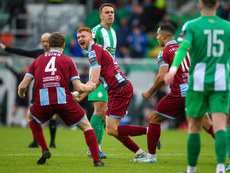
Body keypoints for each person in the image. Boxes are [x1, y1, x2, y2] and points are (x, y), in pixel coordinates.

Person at [18, 32, 106, 167]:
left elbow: (23, 85)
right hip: (64, 101)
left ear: (49, 45)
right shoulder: (67, 60)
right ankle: (97, 161)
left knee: (31, 117)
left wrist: (21, 93)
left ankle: (44, 149)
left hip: (43, 102)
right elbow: (78, 86)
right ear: (63, 45)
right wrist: (89, 88)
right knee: (87, 127)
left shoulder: (37, 60)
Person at [133, 23, 215, 163]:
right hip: (195, 91)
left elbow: (161, 77)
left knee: (154, 119)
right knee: (208, 125)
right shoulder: (186, 48)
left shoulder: (164, 52)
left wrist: (150, 92)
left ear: (164, 36)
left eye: (158, 35)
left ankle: (151, 157)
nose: (157, 38)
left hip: (180, 93)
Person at [164, 0, 230, 172]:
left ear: (199, 6)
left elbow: (183, 48)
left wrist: (172, 70)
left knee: (194, 127)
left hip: (198, 82)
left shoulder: (191, 25)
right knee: (221, 125)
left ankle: (191, 169)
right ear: (217, 6)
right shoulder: (227, 27)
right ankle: (221, 168)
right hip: (221, 82)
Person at [77, 27, 147, 161]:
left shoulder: (93, 52)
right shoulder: (96, 49)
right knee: (113, 128)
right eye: (79, 37)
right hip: (121, 87)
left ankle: (149, 132)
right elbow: (97, 82)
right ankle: (139, 151)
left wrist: (78, 90)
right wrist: (83, 94)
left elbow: (94, 80)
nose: (81, 39)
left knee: (111, 128)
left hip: (118, 89)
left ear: (91, 37)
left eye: (83, 36)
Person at [0, 33, 57, 148]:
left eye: (47, 41)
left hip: (52, 87)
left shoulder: (57, 54)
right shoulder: (38, 53)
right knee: (35, 114)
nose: (45, 43)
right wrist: (7, 48)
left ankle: (52, 142)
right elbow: (23, 52)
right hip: (38, 89)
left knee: (52, 115)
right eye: (43, 41)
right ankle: (36, 142)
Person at [87, 3, 117, 158]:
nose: (110, 15)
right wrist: (96, 75)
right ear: (101, 15)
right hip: (99, 76)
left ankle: (95, 147)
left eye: (112, 12)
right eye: (107, 12)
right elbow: (90, 49)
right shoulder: (97, 30)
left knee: (104, 111)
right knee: (99, 110)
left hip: (110, 77)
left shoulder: (114, 32)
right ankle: (94, 148)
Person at [2, 59, 29, 127]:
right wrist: (6, 64)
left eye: (26, 68)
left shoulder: (28, 77)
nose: (24, 69)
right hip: (19, 95)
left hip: (26, 95)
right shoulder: (19, 75)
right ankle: (12, 120)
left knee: (25, 109)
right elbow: (12, 70)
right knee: (16, 108)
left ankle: (24, 123)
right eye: (24, 67)